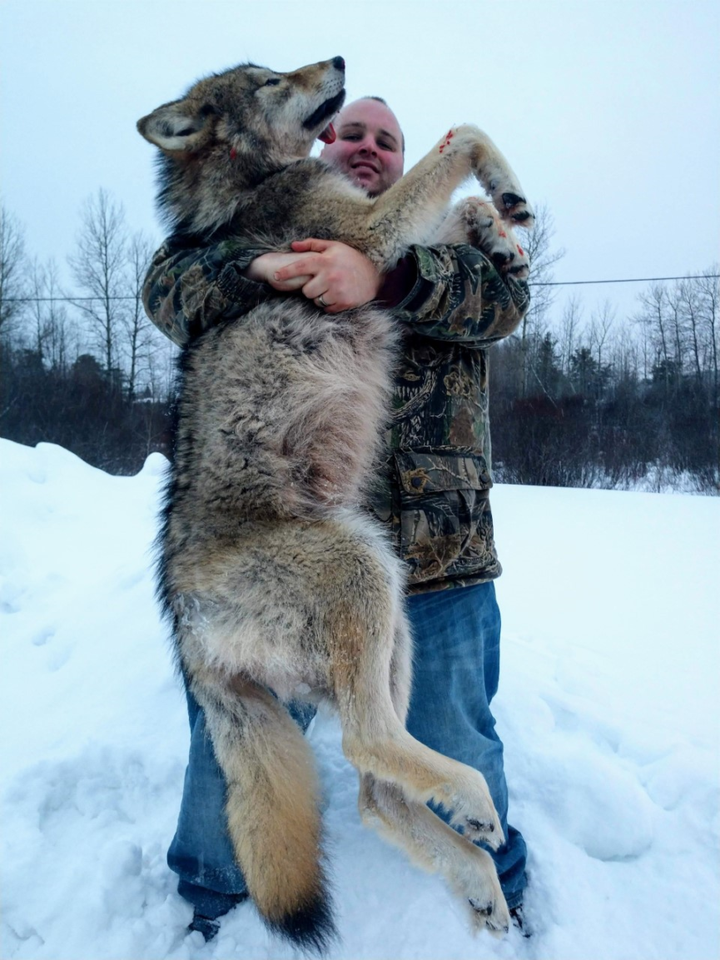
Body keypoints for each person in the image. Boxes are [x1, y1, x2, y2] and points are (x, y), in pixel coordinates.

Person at [143, 96, 531, 941]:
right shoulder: (261, 216)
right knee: (229, 748)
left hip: (436, 552)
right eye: (351, 132)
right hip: (272, 536)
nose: (366, 147)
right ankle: (208, 907)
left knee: (458, 730)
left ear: (400, 160)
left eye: (386, 141)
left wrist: (384, 276)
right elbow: (167, 288)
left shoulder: (444, 247)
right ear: (321, 142)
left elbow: (502, 302)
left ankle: (494, 882)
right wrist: (263, 271)